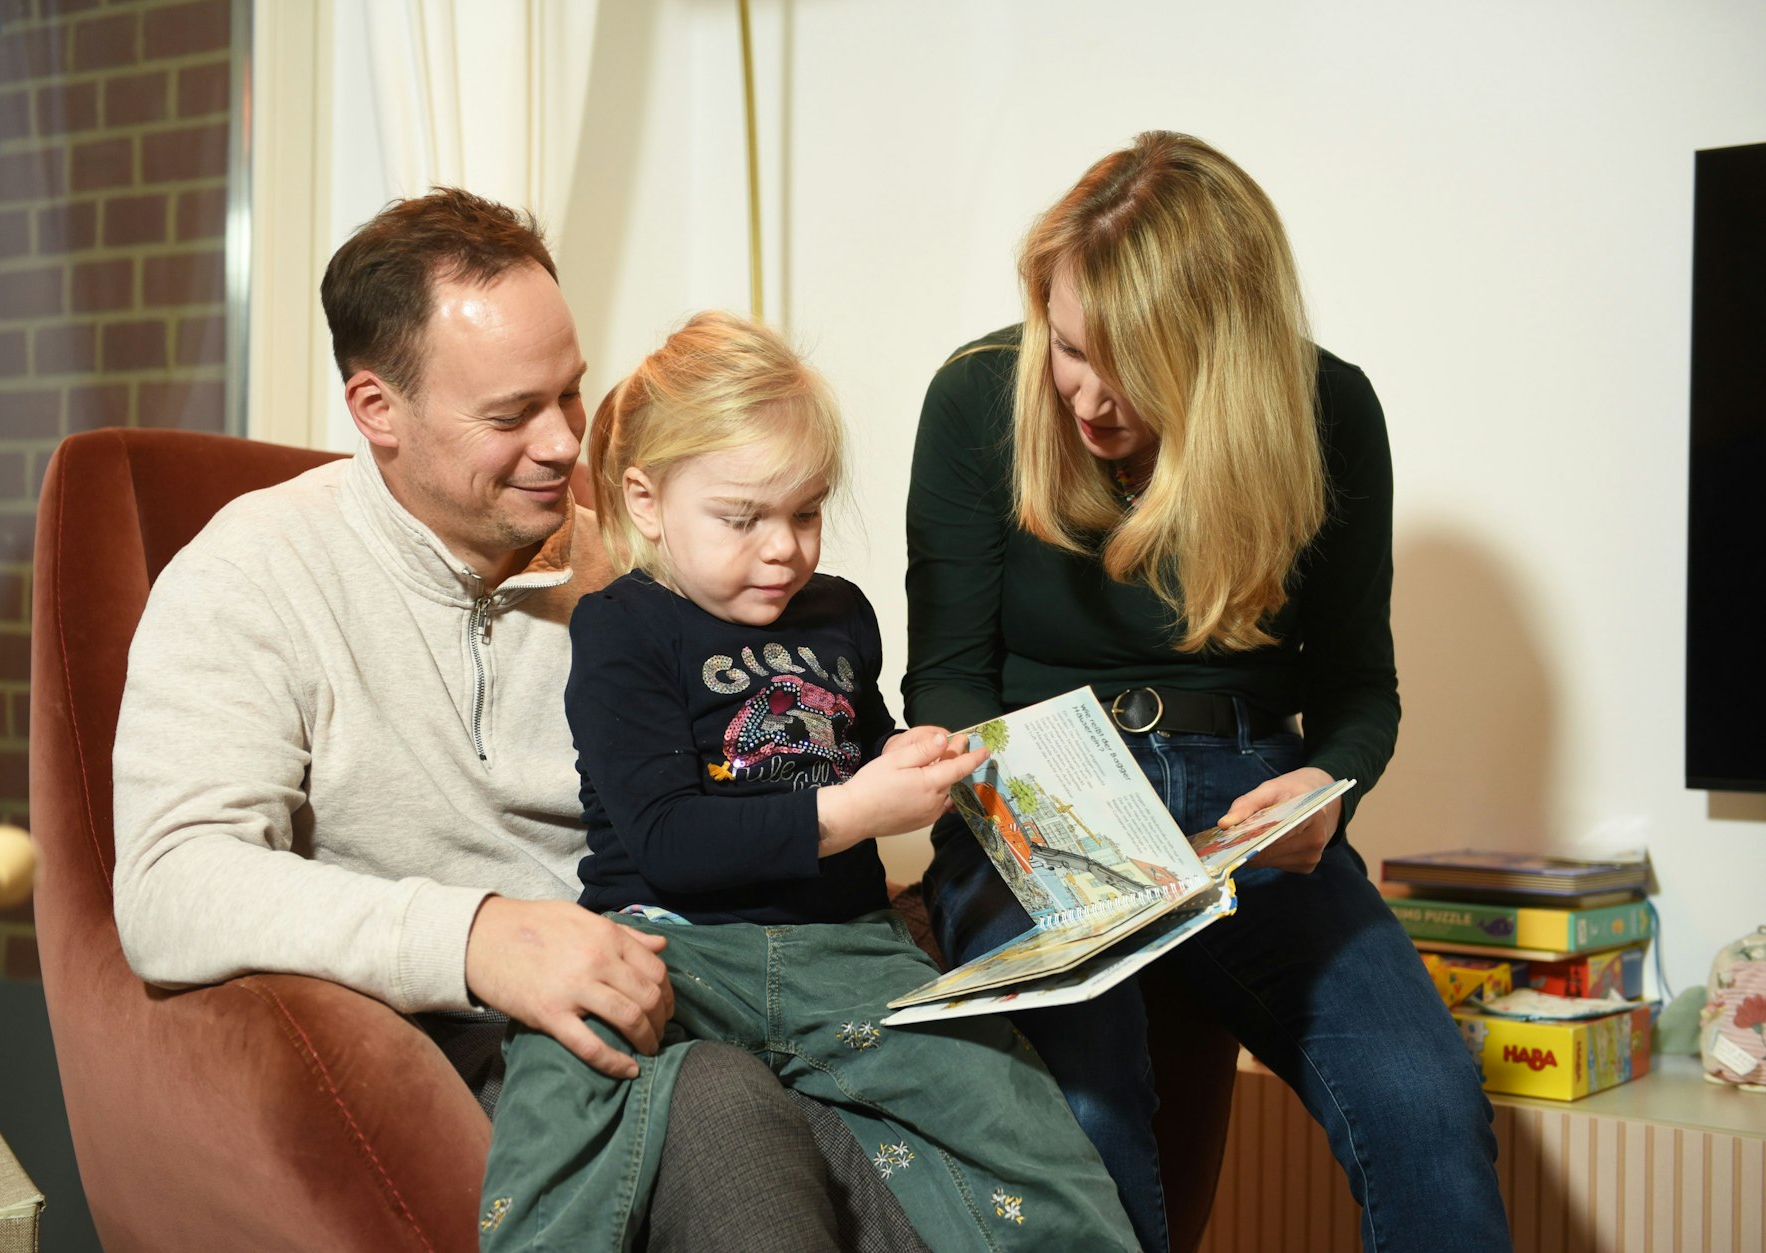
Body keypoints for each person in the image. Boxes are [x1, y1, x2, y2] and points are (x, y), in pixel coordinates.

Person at [111, 188, 928, 1251]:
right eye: (509, 415)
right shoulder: (254, 570)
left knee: (935, 1124)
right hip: (473, 1046)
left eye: (571, 394)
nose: (560, 444)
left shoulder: (653, 577)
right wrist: (476, 934)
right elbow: (171, 885)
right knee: (721, 1108)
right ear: (376, 409)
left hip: (716, 987)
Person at [903, 132, 1513, 1252]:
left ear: (1217, 355)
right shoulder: (977, 396)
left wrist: (1324, 790)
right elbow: (944, 675)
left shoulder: (1326, 407)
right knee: (1082, 1115)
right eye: (1069, 346)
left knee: (1426, 1103)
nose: (1084, 394)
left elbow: (1354, 689)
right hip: (1035, 785)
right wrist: (989, 798)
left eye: (1129, 363)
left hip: (1243, 802)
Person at [480, 311, 1141, 1252]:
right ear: (647, 500)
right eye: (743, 518)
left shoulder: (836, 613)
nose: (784, 548)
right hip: (674, 946)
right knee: (565, 1047)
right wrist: (852, 809)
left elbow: (863, 749)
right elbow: (668, 838)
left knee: (1013, 1104)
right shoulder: (623, 627)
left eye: (806, 511)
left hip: (848, 950)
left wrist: (918, 763)